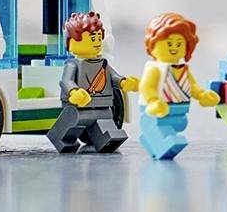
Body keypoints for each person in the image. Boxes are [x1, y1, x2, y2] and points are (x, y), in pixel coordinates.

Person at [132, 13, 218, 162]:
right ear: (153, 44)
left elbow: (191, 85)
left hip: (178, 109)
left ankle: (156, 144)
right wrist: (153, 101)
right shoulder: (155, 69)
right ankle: (160, 143)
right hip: (156, 110)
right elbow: (146, 87)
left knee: (174, 128)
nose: (174, 48)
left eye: (179, 44)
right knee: (164, 132)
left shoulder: (182, 68)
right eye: (169, 43)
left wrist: (202, 95)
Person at [49, 12, 126, 155]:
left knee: (109, 131)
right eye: (92, 38)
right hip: (77, 108)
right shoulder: (73, 64)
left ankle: (102, 140)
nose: (97, 42)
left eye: (99, 37)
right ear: (72, 41)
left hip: (102, 106)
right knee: (71, 124)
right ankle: (63, 139)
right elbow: (66, 81)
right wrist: (74, 91)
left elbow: (113, 77)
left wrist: (123, 82)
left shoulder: (103, 63)